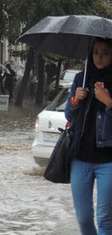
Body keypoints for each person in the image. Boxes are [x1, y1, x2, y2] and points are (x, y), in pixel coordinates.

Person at [65, 37, 112, 235]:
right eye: (95, 52)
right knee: (84, 219)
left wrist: (109, 102)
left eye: (106, 53)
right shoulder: (81, 78)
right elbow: (68, 114)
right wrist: (76, 100)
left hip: (108, 160)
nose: (99, 57)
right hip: (80, 157)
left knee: (105, 220)